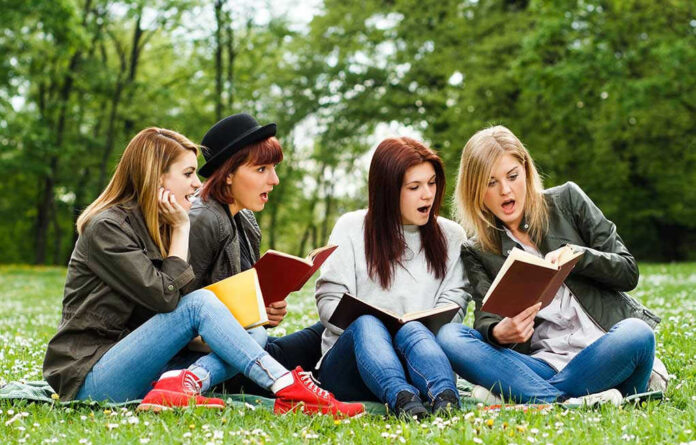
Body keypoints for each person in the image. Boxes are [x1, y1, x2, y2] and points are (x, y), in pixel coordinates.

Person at [42, 127, 363, 417]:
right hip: (91, 376)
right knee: (200, 304)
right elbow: (167, 299)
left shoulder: (156, 224)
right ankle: (288, 388)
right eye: (189, 173)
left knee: (255, 332)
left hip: (146, 365)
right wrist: (181, 231)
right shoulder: (107, 228)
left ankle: (187, 383)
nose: (197, 184)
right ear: (156, 177)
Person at [437, 125, 659, 406]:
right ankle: (565, 402)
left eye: (512, 176)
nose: (505, 190)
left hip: (606, 352)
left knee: (637, 333)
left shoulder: (568, 201)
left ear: (527, 171)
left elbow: (628, 271)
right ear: (476, 191)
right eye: (491, 182)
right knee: (450, 336)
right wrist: (498, 332)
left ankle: (528, 395)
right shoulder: (477, 249)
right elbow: (486, 317)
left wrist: (578, 256)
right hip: (544, 364)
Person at [315, 137, 470, 418]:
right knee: (367, 325)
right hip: (353, 368)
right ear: (388, 190)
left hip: (419, 359)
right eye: (414, 187)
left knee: (412, 330)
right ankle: (403, 399)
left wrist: (412, 326)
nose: (427, 194)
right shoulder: (351, 227)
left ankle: (445, 397)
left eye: (432, 183)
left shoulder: (451, 235)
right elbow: (328, 301)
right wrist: (380, 328)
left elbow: (455, 300)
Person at [185, 113, 324, 393]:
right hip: (208, 357)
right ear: (227, 175)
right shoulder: (201, 219)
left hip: (248, 343)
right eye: (261, 169)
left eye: (273, 168)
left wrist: (264, 310)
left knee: (330, 330)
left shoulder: (245, 219)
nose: (274, 180)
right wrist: (246, 330)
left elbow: (240, 301)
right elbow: (178, 317)